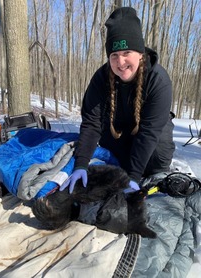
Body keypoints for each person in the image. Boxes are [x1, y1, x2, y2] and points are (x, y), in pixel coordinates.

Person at [61, 6, 175, 194]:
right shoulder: (101, 78)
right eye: (114, 55)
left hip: (151, 135)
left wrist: (134, 176)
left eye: (126, 53)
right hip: (119, 131)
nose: (120, 62)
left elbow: (149, 133)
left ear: (140, 53)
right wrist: (81, 164)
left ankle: (148, 173)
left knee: (156, 155)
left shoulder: (158, 81)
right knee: (114, 165)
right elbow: (91, 123)